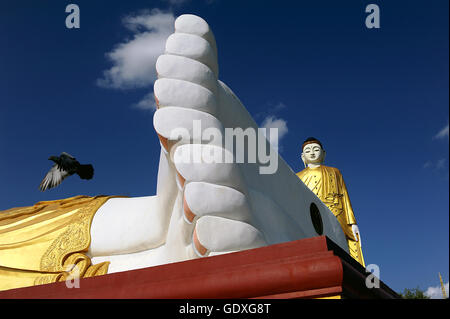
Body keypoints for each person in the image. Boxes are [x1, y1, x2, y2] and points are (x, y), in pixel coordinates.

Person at [297, 137, 365, 266]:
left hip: (335, 211)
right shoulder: (298, 176)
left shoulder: (334, 172)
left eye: (316, 149)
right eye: (308, 150)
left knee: (338, 244)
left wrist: (352, 223)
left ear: (323, 154)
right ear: (302, 157)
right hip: (310, 214)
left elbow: (344, 197)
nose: (312, 153)